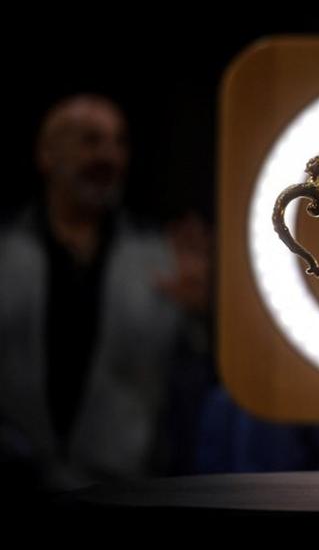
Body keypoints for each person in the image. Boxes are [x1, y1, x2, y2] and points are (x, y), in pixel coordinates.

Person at [0, 94, 211, 500]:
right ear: (47, 155)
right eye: (90, 141)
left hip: (123, 489)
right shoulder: (6, 253)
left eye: (119, 143)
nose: (109, 156)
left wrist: (202, 316)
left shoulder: (160, 261)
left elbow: (188, 385)